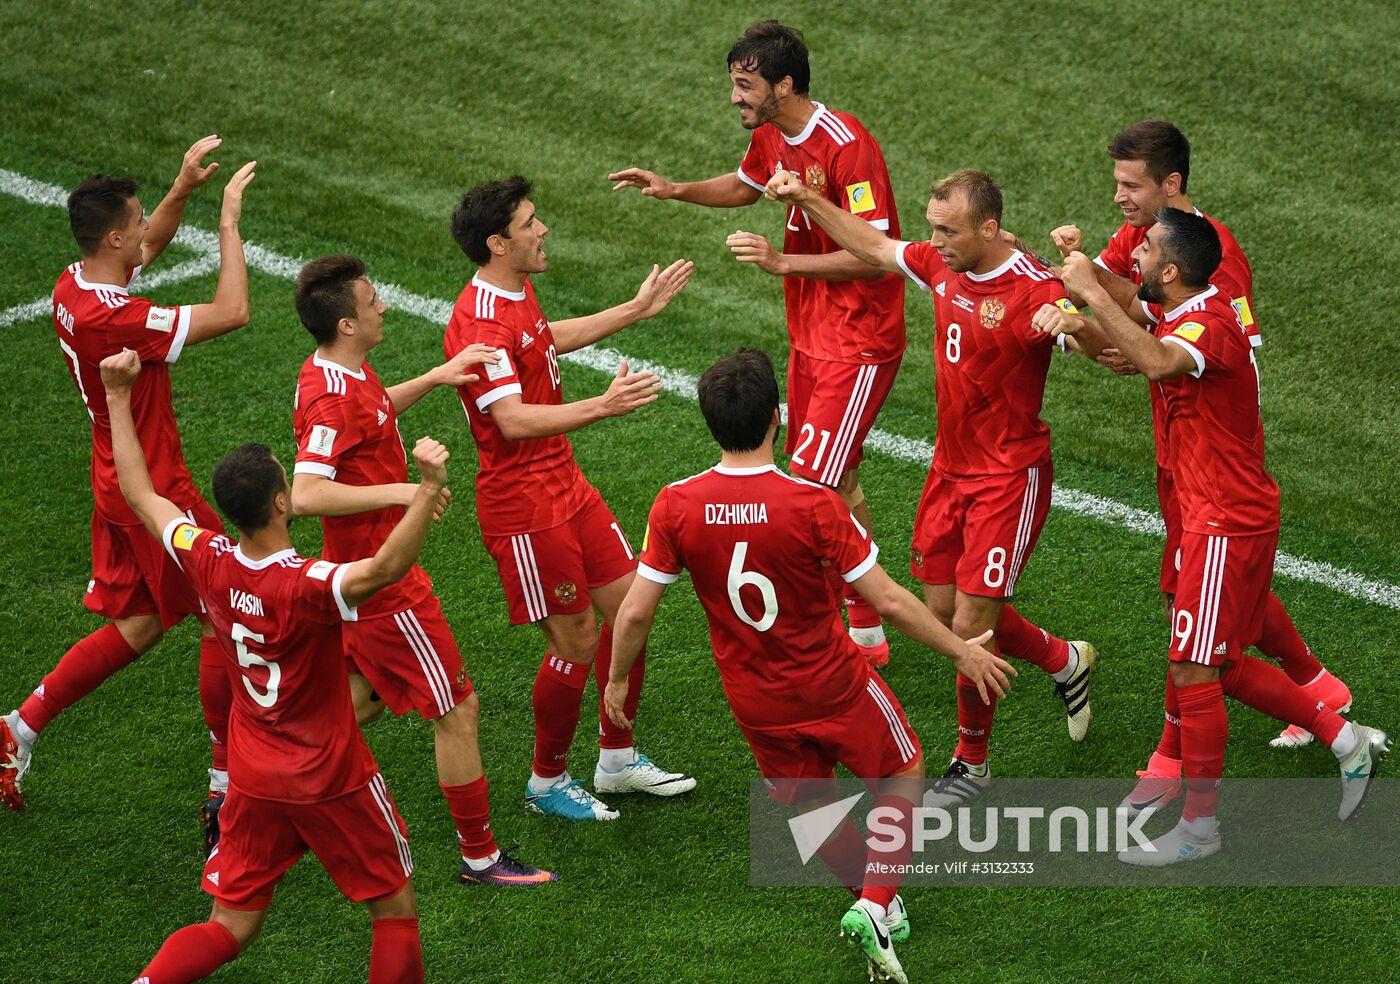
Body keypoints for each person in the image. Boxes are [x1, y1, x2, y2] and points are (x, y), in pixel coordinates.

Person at [603, 347, 1014, 984]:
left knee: (810, 808)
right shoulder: (814, 504)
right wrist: (961, 649)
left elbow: (631, 615)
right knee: (904, 769)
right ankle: (876, 902)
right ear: (777, 418)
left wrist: (620, 679)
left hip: (756, 700)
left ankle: (873, 901)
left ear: (712, 423)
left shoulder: (675, 505)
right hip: (834, 684)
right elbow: (886, 600)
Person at [100, 348, 460, 983]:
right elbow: (382, 571)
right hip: (330, 775)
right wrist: (425, 489)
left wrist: (117, 396)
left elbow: (140, 491)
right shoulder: (305, 584)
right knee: (394, 908)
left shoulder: (204, 554)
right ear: (280, 506)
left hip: (253, 774)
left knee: (229, 925)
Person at [1041, 211, 1389, 864]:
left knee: (1195, 668)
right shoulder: (1180, 313)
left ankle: (1200, 829)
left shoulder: (1207, 323)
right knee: (1220, 666)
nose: (1132, 257)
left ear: (1170, 272)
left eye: (1143, 251)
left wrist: (1089, 289)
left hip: (1226, 521)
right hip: (1208, 515)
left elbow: (1152, 358)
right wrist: (1073, 321)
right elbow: (1124, 349)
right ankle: (1345, 740)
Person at [765, 166, 1100, 805]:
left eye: (949, 230)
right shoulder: (942, 265)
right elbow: (874, 247)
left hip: (1009, 476)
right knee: (943, 611)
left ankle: (971, 765)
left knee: (971, 626)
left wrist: (1078, 327)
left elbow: (1110, 352)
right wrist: (808, 198)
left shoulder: (1033, 290)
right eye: (933, 229)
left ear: (990, 228)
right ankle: (1064, 660)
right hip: (949, 470)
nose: (936, 241)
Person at [1051, 122, 1352, 789]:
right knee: (1206, 613)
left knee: (1200, 631)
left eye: (1132, 186)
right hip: (1181, 456)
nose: (1121, 200)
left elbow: (1207, 349)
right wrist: (1079, 304)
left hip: (1217, 461)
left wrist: (1097, 301)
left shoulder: (1215, 264)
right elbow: (1134, 322)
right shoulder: (1144, 240)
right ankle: (1323, 698)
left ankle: (1177, 761)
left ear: (1171, 186)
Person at [608, 20, 905, 665]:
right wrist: (675, 189)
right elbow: (747, 184)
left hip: (859, 338)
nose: (735, 99)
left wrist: (783, 264)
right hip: (812, 333)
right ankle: (868, 628)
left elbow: (879, 257)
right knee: (839, 477)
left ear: (785, 84)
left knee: (812, 492)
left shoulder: (848, 148)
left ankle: (828, 633)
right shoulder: (772, 135)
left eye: (745, 87)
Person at [0, 139, 254, 852]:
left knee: (140, 625)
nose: (149, 230)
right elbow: (232, 311)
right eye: (138, 221)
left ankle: (16, 728)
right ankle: (224, 790)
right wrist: (228, 220)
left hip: (114, 474)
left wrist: (179, 189)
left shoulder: (73, 285)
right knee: (224, 610)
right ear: (113, 236)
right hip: (153, 491)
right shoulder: (119, 322)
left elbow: (141, 252)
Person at [291, 254, 554, 885]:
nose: (382, 306)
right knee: (457, 708)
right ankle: (480, 857)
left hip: (355, 578)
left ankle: (261, 796)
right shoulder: (330, 397)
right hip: (384, 586)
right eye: (372, 300)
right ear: (347, 324)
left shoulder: (338, 374)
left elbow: (375, 413)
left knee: (360, 703)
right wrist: (403, 493)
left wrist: (436, 377)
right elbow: (305, 493)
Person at [444, 176, 695, 821]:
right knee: (577, 640)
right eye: (530, 223)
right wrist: (603, 405)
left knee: (630, 611)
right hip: (524, 506)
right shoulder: (479, 322)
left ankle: (615, 762)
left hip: (567, 486)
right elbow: (513, 420)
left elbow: (545, 339)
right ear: (500, 243)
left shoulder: (516, 293)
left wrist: (632, 311)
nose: (543, 229)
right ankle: (545, 781)